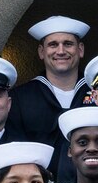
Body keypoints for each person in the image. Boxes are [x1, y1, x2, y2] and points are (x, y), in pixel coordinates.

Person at [6, 16, 91, 149]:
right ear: (41, 52)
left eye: (68, 44)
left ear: (80, 50)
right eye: (53, 45)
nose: (61, 51)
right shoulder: (20, 98)